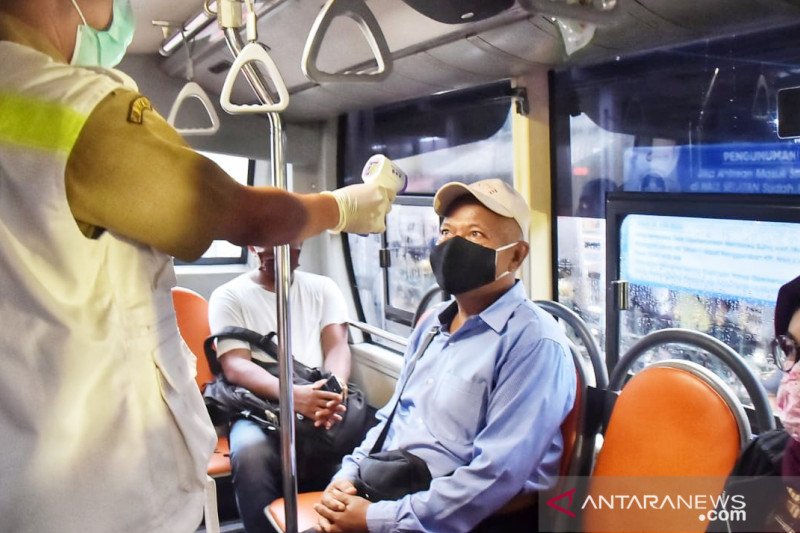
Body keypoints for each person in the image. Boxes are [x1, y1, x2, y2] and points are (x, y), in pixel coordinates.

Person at [0, 1, 395, 532]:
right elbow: (246, 215)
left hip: (27, 464)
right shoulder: (65, 109)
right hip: (99, 486)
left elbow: (337, 344)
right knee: (256, 453)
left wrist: (329, 391)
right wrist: (343, 207)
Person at [314, 179, 577, 533]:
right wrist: (347, 476)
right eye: (446, 232)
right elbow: (392, 419)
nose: (453, 245)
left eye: (475, 236)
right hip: (394, 490)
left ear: (516, 255)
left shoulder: (533, 343)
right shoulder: (431, 326)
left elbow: (495, 475)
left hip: (478, 517)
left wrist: (376, 519)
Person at [209, 243, 354, 533]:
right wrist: (293, 397)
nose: (278, 250)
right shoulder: (228, 295)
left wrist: (334, 391)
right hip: (261, 405)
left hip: (319, 393)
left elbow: (337, 346)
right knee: (250, 453)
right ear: (251, 245)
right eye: (266, 242)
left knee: (370, 443)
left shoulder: (324, 288)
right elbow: (236, 366)